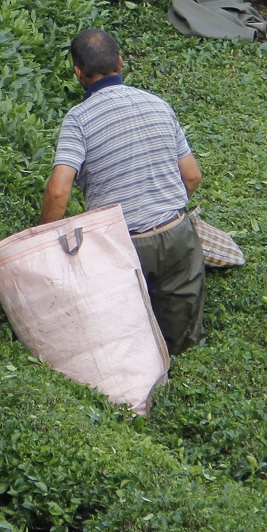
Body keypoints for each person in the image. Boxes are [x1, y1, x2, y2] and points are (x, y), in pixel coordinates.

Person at [39, 27, 207, 355]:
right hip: (177, 236)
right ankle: (184, 371)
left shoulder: (79, 120)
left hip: (120, 243)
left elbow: (58, 193)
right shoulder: (158, 105)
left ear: (78, 73)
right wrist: (163, 212)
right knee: (184, 341)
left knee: (123, 337)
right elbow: (192, 176)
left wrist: (45, 245)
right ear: (120, 62)